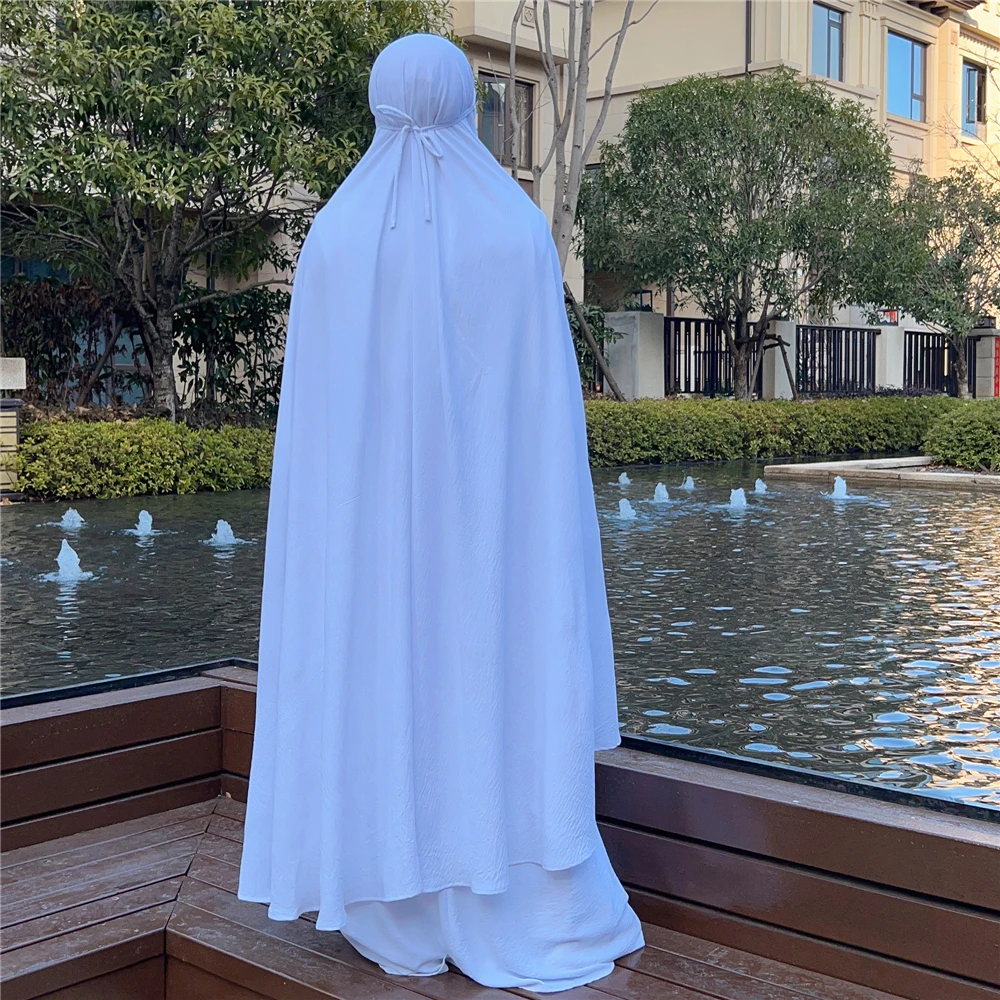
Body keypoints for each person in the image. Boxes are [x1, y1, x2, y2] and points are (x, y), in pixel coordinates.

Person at [238, 32, 644, 992]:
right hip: (495, 540)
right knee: (495, 663)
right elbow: (542, 436)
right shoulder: (515, 231)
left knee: (386, 662)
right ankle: (520, 901)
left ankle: (394, 904)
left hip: (373, 549)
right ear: (467, 101)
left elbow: (321, 442)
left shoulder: (335, 236)